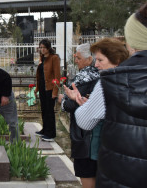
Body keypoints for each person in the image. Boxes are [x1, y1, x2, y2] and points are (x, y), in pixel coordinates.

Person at [72, 4, 147, 187]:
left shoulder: (111, 82)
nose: (96, 65)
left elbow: (85, 120)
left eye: (100, 60)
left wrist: (82, 105)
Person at [58, 43, 100, 188]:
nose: (76, 60)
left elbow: (71, 105)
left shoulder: (85, 77)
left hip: (84, 136)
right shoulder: (102, 76)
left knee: (88, 176)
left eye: (78, 58)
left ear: (89, 59)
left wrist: (62, 101)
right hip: (98, 136)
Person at [34, 39, 61, 142]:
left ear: (48, 48)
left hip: (50, 88)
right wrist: (37, 88)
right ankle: (45, 130)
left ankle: (51, 133)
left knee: (50, 111)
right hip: (42, 88)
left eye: (44, 47)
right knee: (44, 110)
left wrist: (55, 92)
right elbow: (39, 76)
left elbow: (57, 76)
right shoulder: (42, 58)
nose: (42, 49)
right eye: (40, 48)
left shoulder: (54, 58)